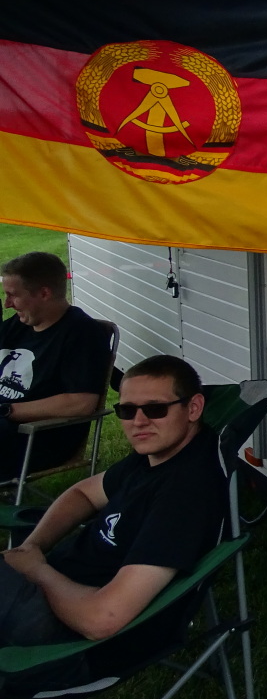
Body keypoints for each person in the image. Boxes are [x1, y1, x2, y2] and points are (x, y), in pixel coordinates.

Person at [0, 355, 225, 648]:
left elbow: (102, 620)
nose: (139, 422)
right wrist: (32, 547)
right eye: (127, 410)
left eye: (155, 409)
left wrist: (36, 571)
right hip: (52, 590)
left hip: (67, 632)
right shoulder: (158, 455)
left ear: (193, 407)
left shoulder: (184, 496)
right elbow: (83, 493)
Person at [1, 252, 112, 481]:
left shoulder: (82, 335)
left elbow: (81, 403)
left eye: (13, 295)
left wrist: (7, 410)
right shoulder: (19, 325)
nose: (7, 304)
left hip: (35, 438)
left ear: (44, 293)